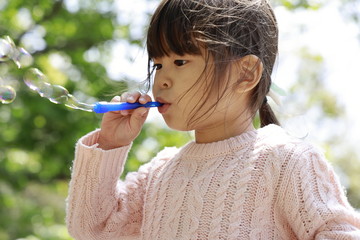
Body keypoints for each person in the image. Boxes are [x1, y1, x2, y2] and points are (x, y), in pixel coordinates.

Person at [66, 0, 360, 239]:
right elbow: (92, 229)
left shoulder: (285, 160)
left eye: (180, 61)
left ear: (246, 74)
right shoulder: (159, 172)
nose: (161, 80)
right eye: (158, 64)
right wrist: (109, 144)